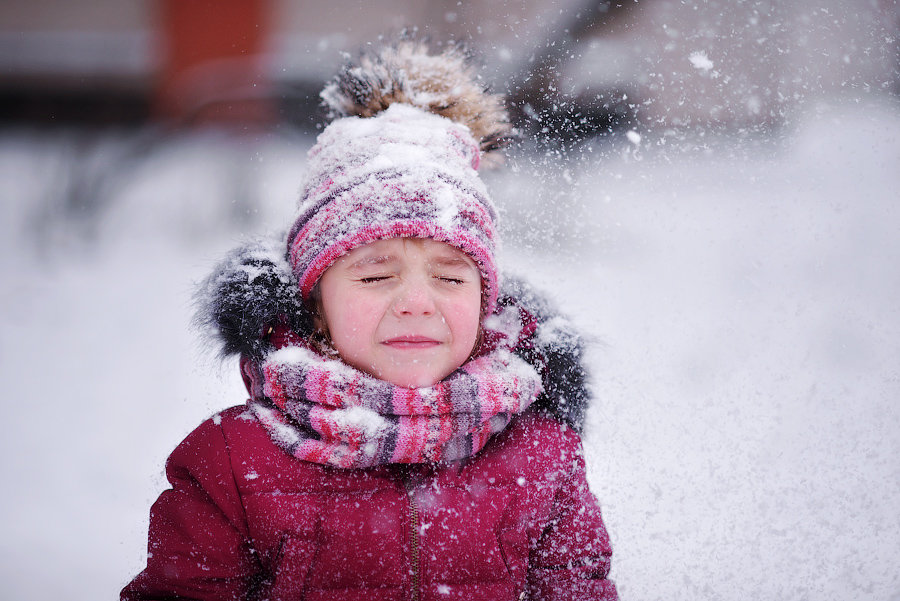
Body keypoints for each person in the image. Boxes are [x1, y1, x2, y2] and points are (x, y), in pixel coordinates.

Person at [122, 39, 617, 601]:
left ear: (487, 304)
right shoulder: (234, 463)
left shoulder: (541, 455)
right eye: (375, 276)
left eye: (451, 278)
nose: (416, 302)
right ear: (315, 304)